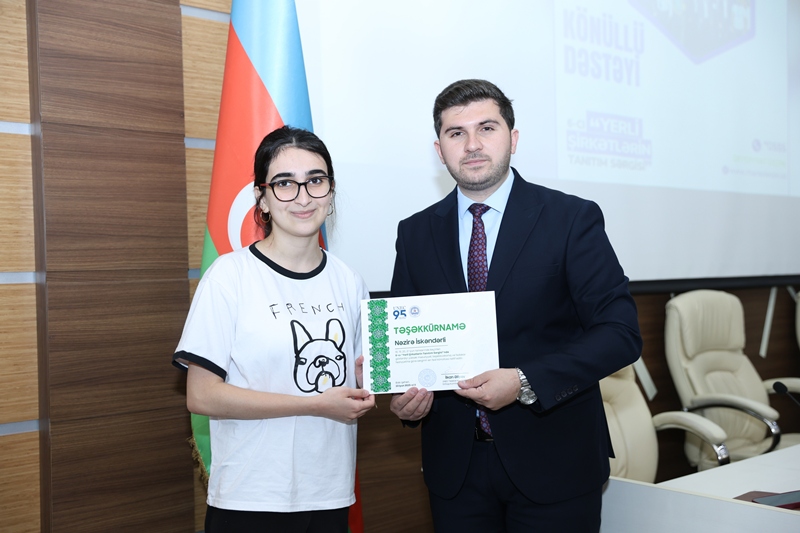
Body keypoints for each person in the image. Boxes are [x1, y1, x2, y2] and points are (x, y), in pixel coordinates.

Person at [389, 79, 642, 532]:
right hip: (456, 472)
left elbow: (620, 333)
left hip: (556, 464)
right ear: (440, 149)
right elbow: (409, 344)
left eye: (486, 128)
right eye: (456, 133)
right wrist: (408, 399)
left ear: (513, 138)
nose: (472, 144)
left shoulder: (570, 218)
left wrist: (525, 380)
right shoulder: (415, 233)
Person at [172, 126, 375, 533]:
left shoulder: (349, 280)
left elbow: (354, 376)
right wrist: (314, 404)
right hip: (250, 497)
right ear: (262, 199)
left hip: (329, 495)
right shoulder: (229, 276)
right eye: (284, 183)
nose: (303, 197)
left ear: (331, 192)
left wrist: (366, 377)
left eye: (315, 181)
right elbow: (201, 395)